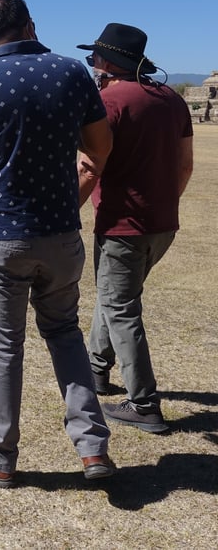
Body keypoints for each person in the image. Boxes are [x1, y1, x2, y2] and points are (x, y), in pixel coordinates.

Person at [0, 0, 115, 488]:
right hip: (60, 236)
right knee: (65, 334)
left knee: (3, 349)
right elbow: (99, 149)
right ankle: (93, 450)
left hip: (1, 239)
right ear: (32, 26)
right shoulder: (74, 74)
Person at [76, 23, 194, 434]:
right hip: (162, 224)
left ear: (107, 62)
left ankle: (143, 402)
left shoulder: (108, 101)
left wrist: (64, 210)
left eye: (94, 58)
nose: (92, 65)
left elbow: (89, 165)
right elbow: (185, 165)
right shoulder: (171, 100)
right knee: (114, 297)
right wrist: (162, 205)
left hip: (122, 223)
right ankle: (95, 368)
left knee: (120, 306)